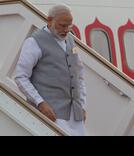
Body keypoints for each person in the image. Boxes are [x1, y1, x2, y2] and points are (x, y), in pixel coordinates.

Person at [14, 4, 87, 136]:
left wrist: (82, 104)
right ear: (49, 20)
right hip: (50, 115)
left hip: (75, 117)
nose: (66, 30)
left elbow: (78, 75)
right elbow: (20, 77)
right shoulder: (34, 42)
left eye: (69, 26)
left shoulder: (70, 41)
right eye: (62, 25)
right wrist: (40, 103)